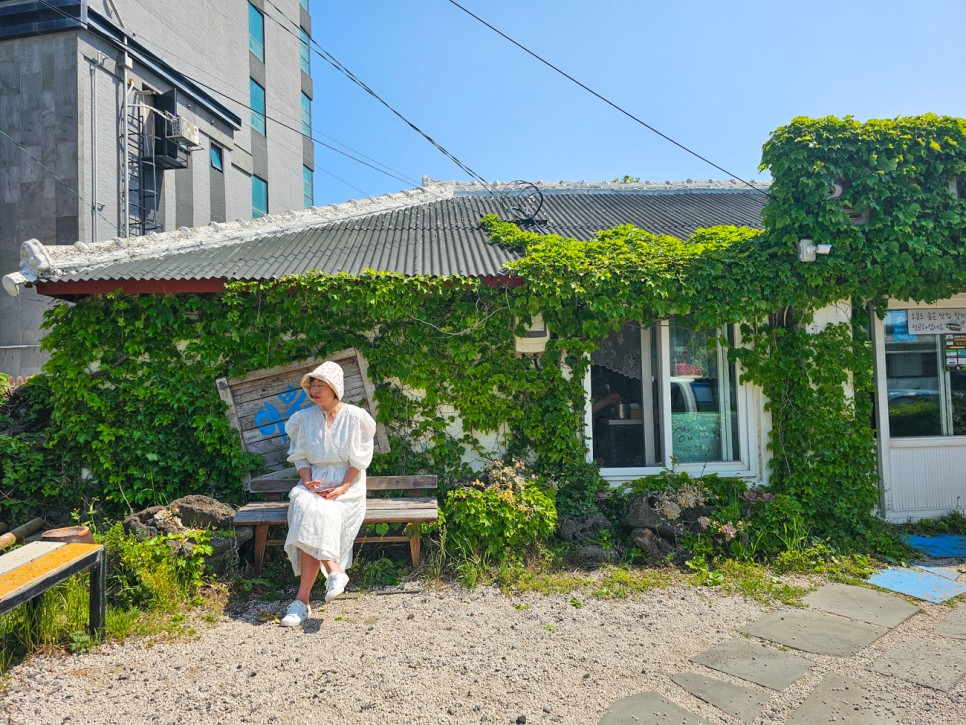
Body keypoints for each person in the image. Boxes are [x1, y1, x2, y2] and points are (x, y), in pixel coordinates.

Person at [279, 360, 377, 627]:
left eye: (321, 385)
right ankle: (334, 571)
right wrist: (308, 482)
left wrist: (343, 487)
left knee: (321, 512)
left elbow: (358, 462)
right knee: (304, 503)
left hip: (347, 486)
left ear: (335, 388)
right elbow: (300, 459)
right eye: (312, 385)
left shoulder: (355, 417)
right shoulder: (303, 419)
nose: (315, 390)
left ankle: (302, 601)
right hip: (314, 484)